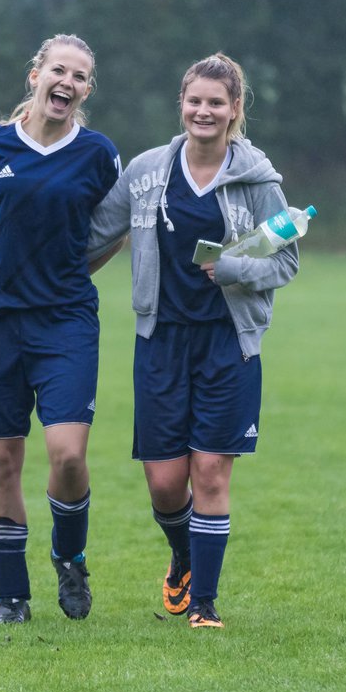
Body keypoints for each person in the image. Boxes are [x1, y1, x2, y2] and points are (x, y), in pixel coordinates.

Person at [86, 53, 300, 628]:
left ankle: (203, 604)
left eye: (216, 103)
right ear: (181, 104)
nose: (204, 111)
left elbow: (286, 261)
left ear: (235, 110)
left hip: (229, 344)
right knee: (164, 483)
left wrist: (234, 269)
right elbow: (92, 237)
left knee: (210, 472)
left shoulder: (258, 180)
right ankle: (183, 554)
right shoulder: (147, 170)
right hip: (160, 340)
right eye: (195, 101)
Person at [0, 34, 121, 624]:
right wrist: (0, 280)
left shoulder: (100, 155)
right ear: (35, 75)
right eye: (59, 71)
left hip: (66, 321)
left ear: (86, 91)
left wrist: (61, 278)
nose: (67, 83)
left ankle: (69, 557)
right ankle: (11, 600)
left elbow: (112, 232)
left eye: (79, 77)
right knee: (2, 460)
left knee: (68, 454)